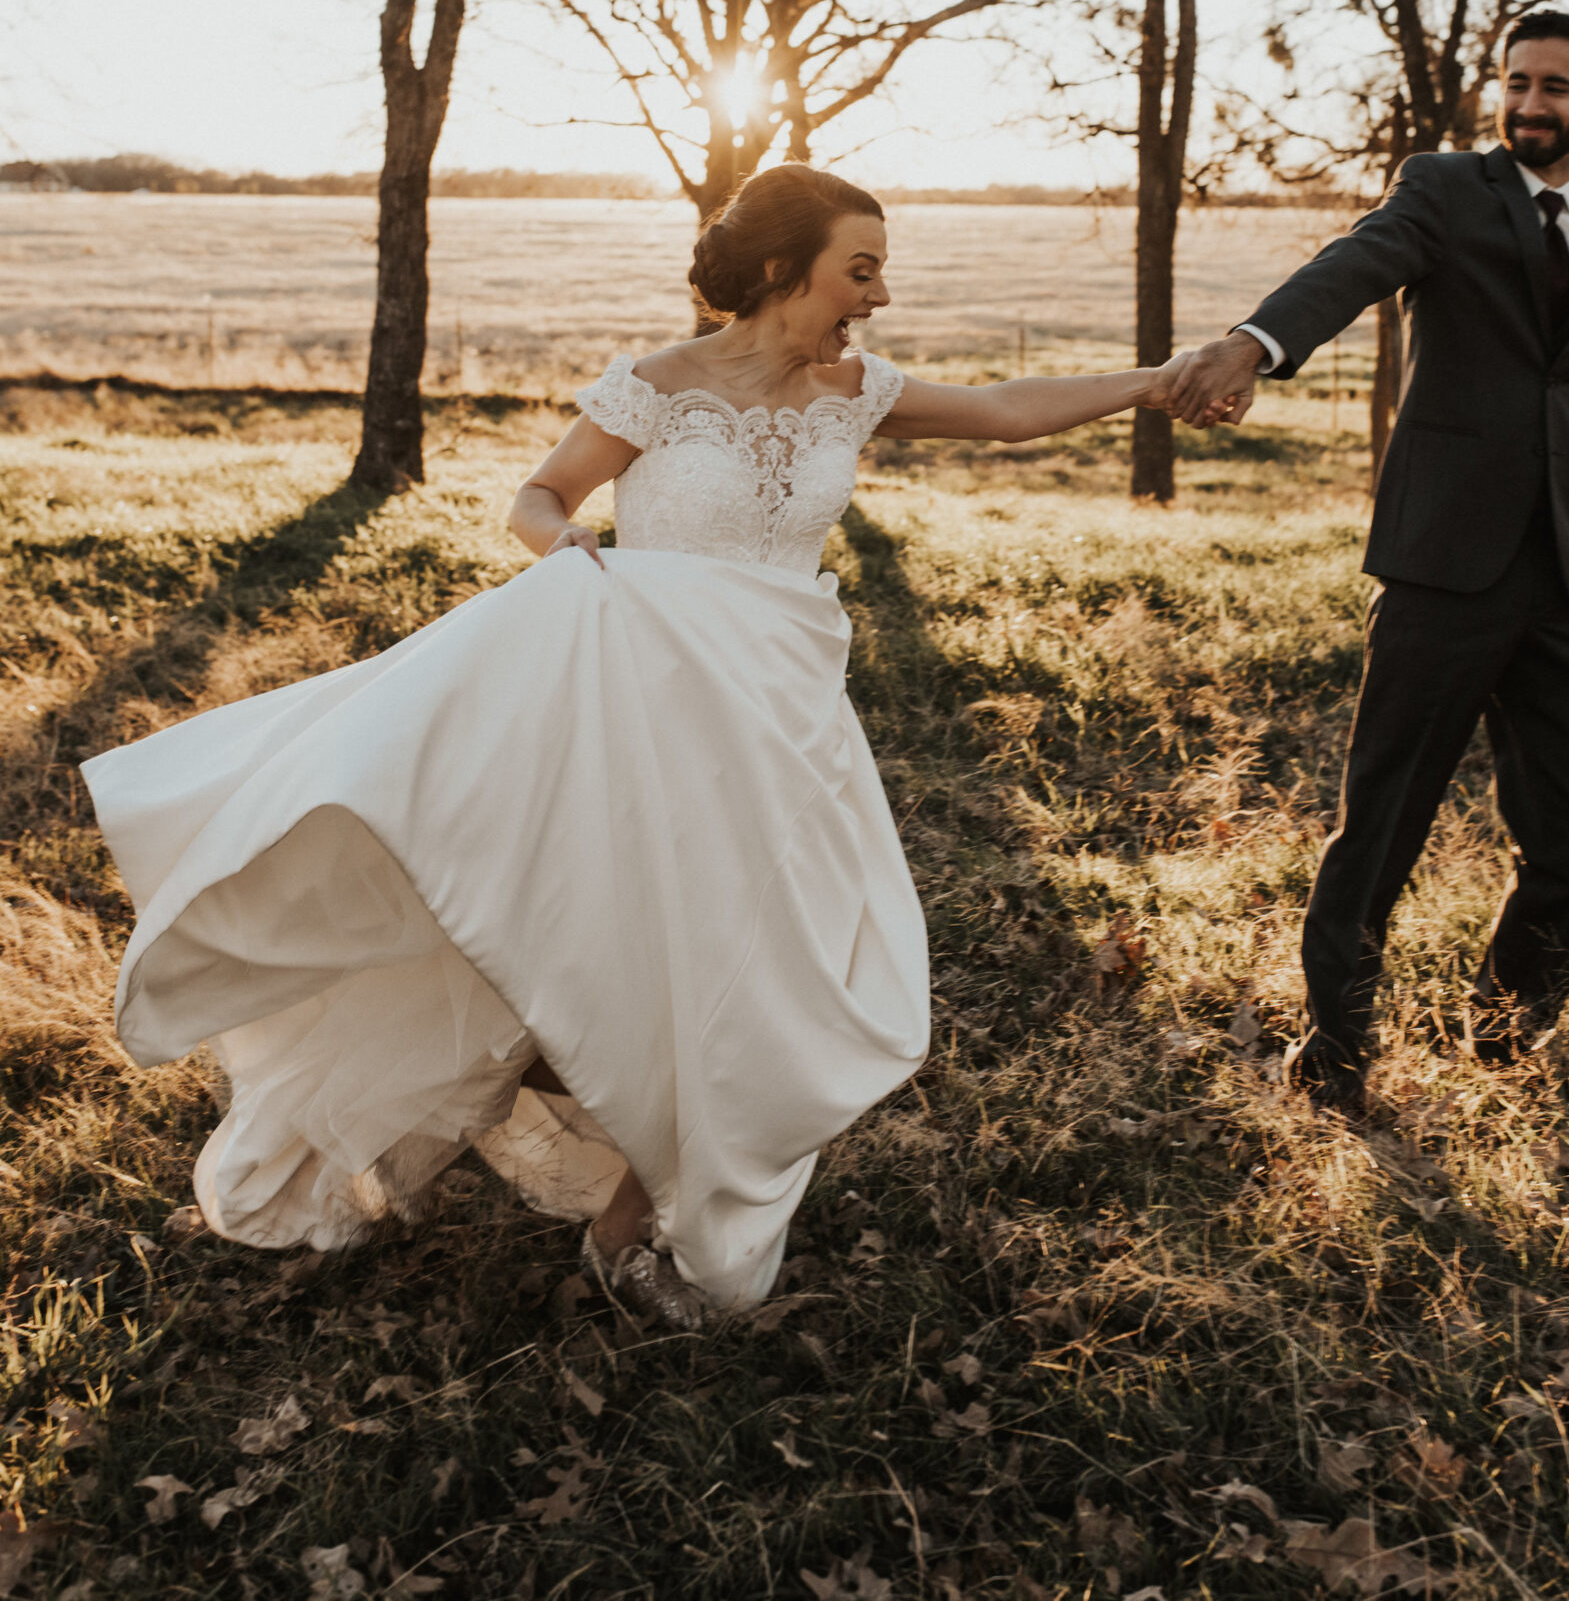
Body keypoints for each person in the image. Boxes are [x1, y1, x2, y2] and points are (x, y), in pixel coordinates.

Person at [84, 165, 1195, 1328]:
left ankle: (634, 1209)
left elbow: (1009, 406)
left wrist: (1155, 382)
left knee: (757, 957)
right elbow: (539, 493)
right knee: (627, 951)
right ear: (782, 269)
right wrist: (562, 541)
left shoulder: (855, 389)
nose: (877, 293)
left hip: (781, 715)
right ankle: (598, 1173)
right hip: (645, 707)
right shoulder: (659, 385)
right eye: (859, 268)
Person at [1167, 11, 1569, 1117]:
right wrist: (1255, 343)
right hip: (1441, 564)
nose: (1530, 102)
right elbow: (1355, 263)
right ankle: (1337, 1052)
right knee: (1386, 817)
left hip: (1565, 578)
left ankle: (1503, 1032)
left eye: (1554, 86)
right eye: (1515, 81)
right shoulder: (1446, 189)